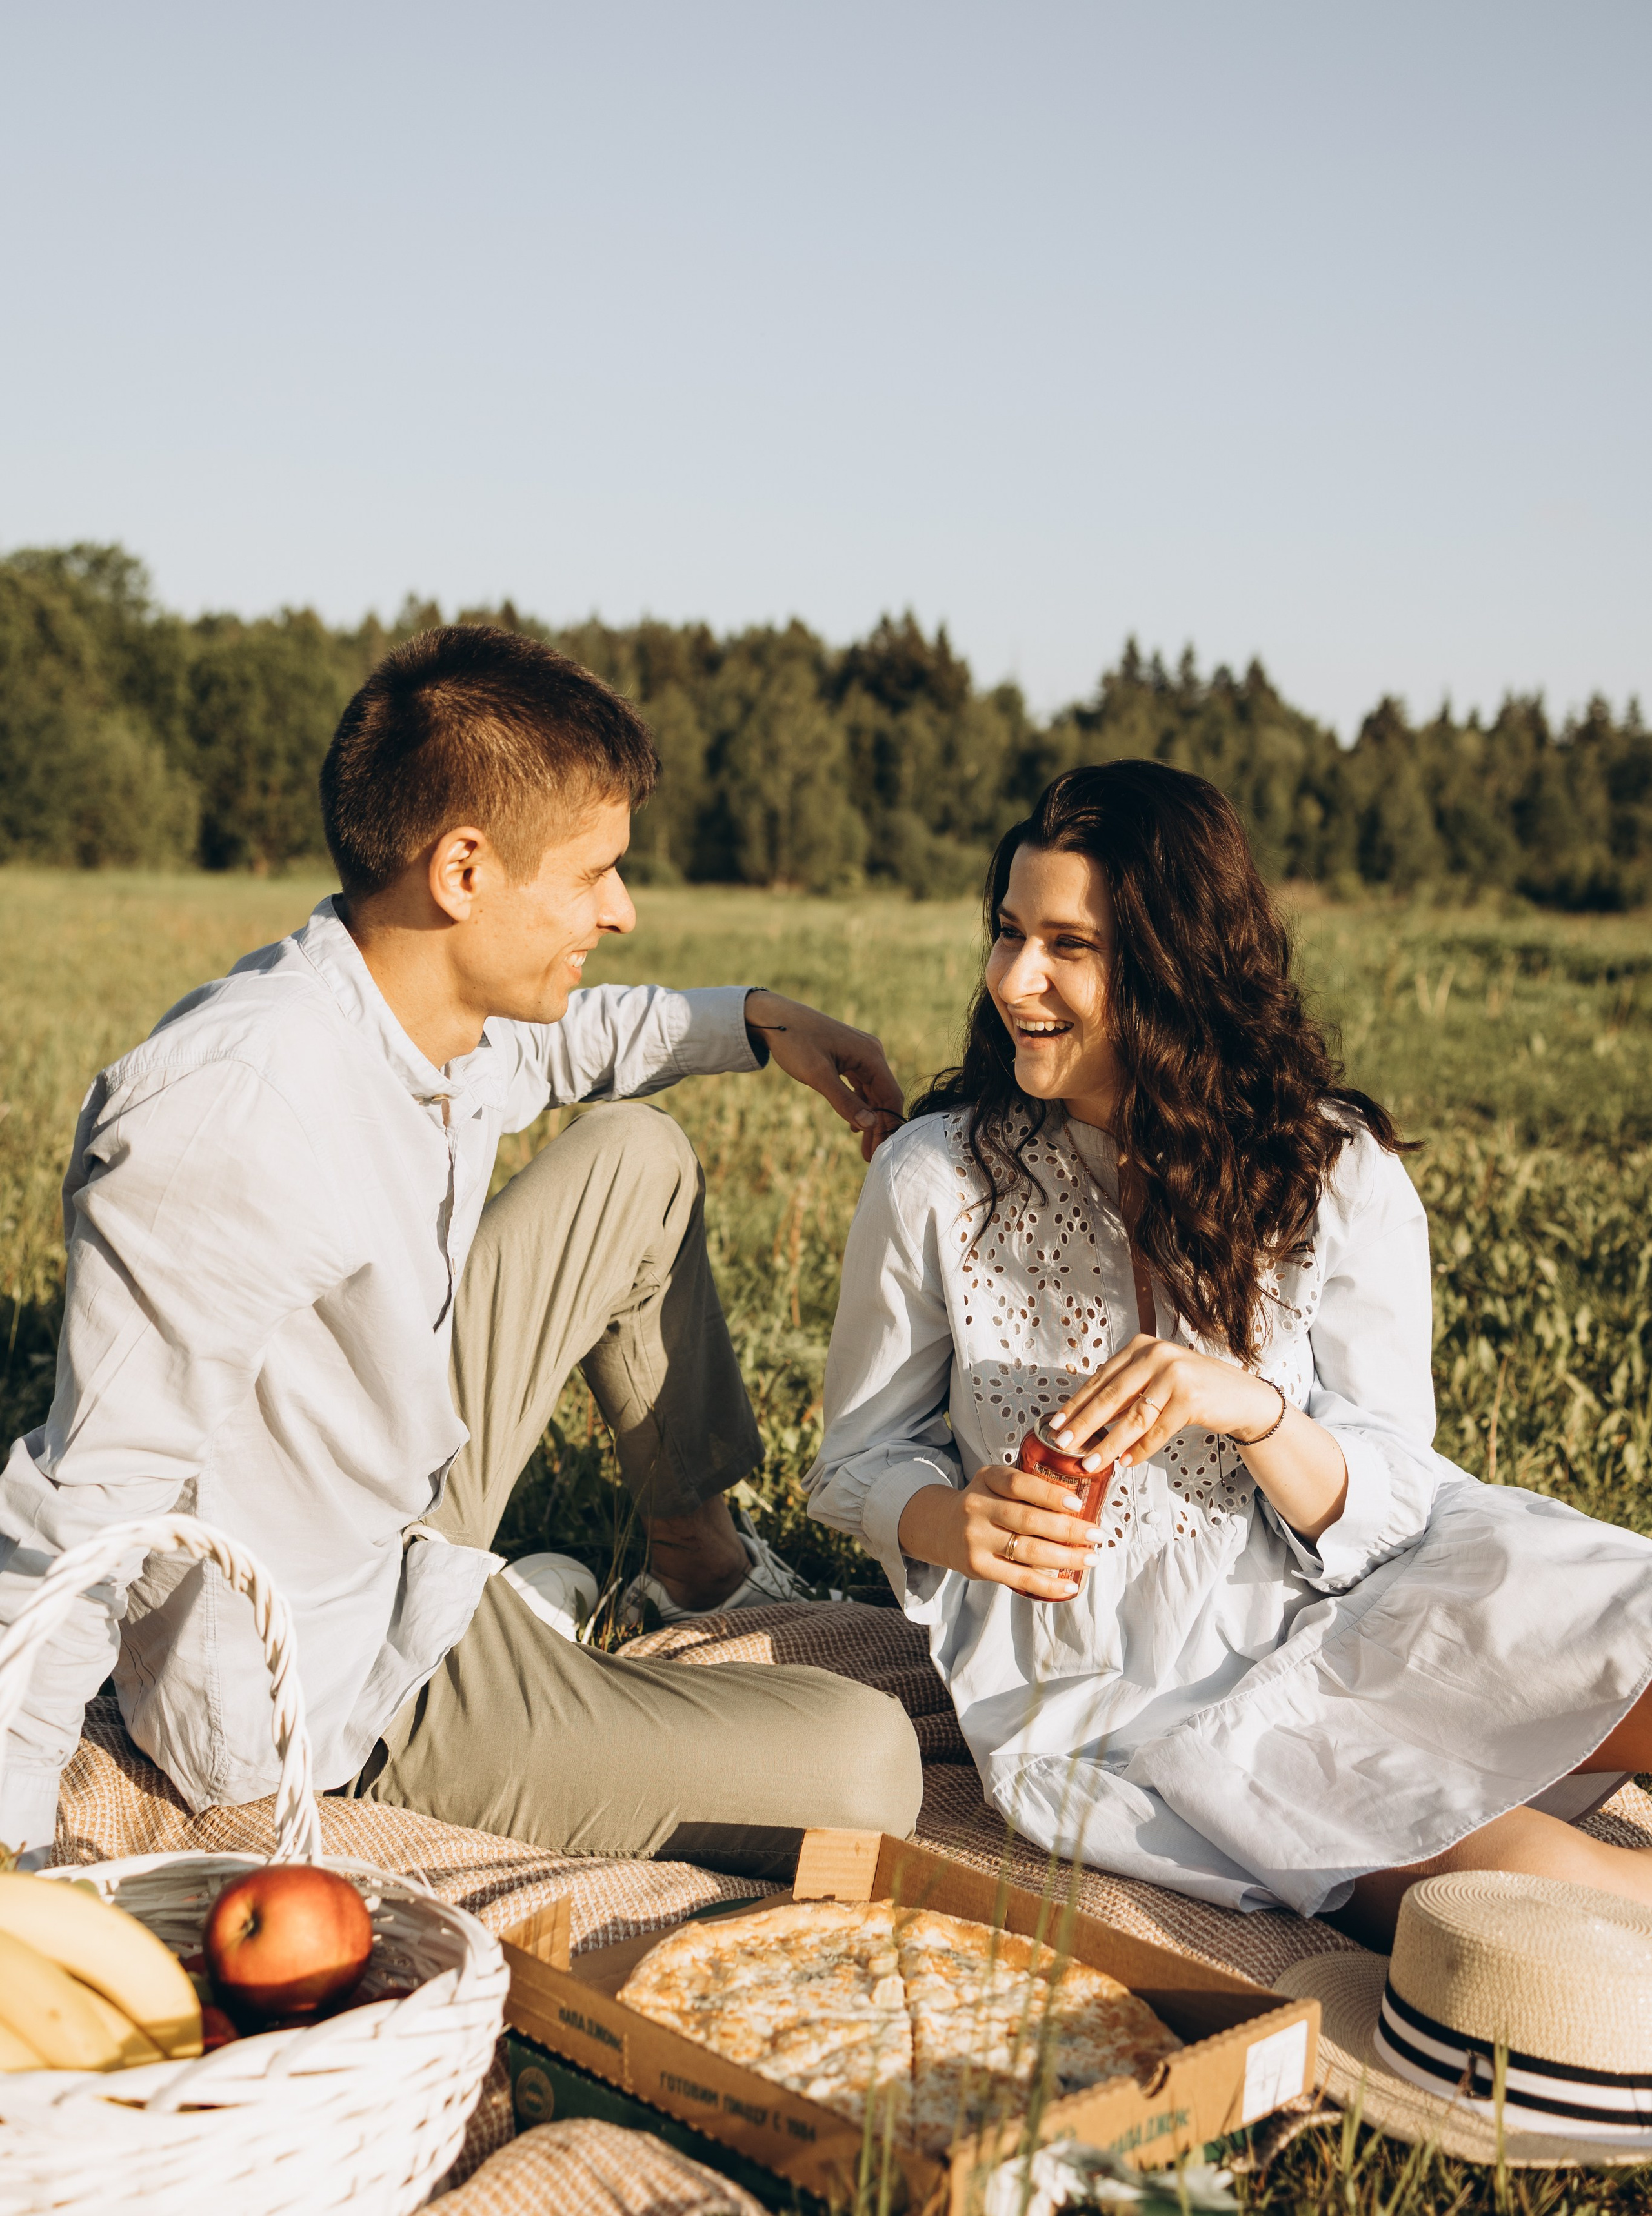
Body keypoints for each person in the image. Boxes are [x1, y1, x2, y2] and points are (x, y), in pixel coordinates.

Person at [0, 625, 923, 1876]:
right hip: (330, 1678)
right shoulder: (231, 1112)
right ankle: (526, 1644)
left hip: (396, 1513)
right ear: (464, 870)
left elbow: (573, 1043)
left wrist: (760, 1022)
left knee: (632, 1159)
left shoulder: (425, 1010)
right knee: (870, 1761)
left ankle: (693, 1572)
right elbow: (80, 1506)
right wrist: (12, 1848)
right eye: (594, 873)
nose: (622, 908)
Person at [807, 761, 1652, 1943]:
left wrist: (1254, 1410)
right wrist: (949, 1522)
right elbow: (850, 1463)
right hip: (1143, 1686)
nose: (1014, 978)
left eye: (1069, 945)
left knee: (1630, 1623)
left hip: (1367, 1585)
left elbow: (1397, 1487)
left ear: (1173, 967)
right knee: (1536, 1892)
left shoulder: (1333, 1166)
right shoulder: (937, 1176)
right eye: (1007, 932)